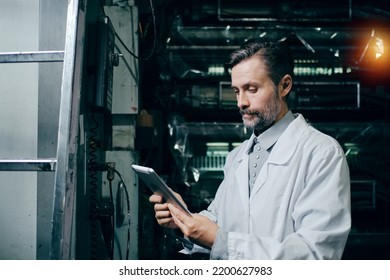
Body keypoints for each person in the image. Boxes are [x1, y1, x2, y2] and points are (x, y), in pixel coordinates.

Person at [149, 40, 351, 259]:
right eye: (236, 91)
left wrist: (221, 241)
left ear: (284, 86)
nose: (241, 102)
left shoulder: (321, 153)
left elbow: (315, 253)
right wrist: (183, 220)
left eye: (251, 89)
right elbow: (219, 219)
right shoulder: (237, 156)